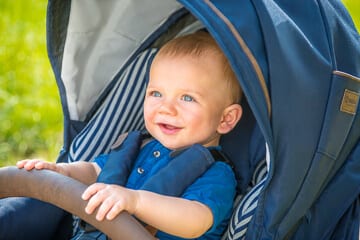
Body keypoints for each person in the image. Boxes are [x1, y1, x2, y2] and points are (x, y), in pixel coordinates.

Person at [17, 31, 243, 239]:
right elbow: (95, 171)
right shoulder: (138, 149)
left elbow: (195, 220)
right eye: (156, 93)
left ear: (226, 119)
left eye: (187, 98)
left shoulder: (216, 173)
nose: (166, 108)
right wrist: (63, 171)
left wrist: (136, 201)